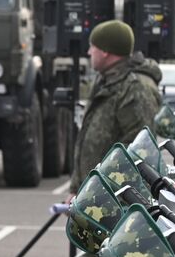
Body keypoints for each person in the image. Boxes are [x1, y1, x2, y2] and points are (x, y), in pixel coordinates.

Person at [69, 19, 163, 192]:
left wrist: (101, 188)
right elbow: (88, 138)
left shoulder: (135, 87)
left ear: (105, 51)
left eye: (93, 47)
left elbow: (138, 148)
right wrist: (78, 190)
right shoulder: (106, 81)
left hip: (118, 200)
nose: (89, 52)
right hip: (95, 196)